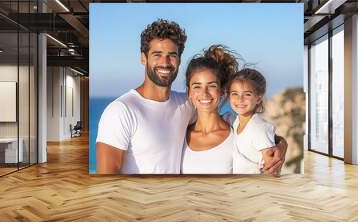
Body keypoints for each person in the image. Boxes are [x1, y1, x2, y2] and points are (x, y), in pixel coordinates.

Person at [96, 19, 287, 174]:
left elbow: (252, 131)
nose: (165, 62)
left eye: (172, 55)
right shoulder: (121, 111)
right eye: (157, 54)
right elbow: (106, 180)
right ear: (143, 58)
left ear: (179, 59)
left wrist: (281, 145)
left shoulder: (185, 104)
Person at [181, 45, 238, 174]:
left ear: (222, 91)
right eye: (197, 86)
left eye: (211, 86)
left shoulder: (236, 135)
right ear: (189, 91)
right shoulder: (180, 136)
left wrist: (281, 143)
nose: (204, 94)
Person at [228, 68, 278, 175]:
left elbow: (272, 168)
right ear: (229, 97)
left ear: (258, 98)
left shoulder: (259, 128)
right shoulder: (236, 121)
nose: (240, 99)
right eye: (235, 94)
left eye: (247, 94)